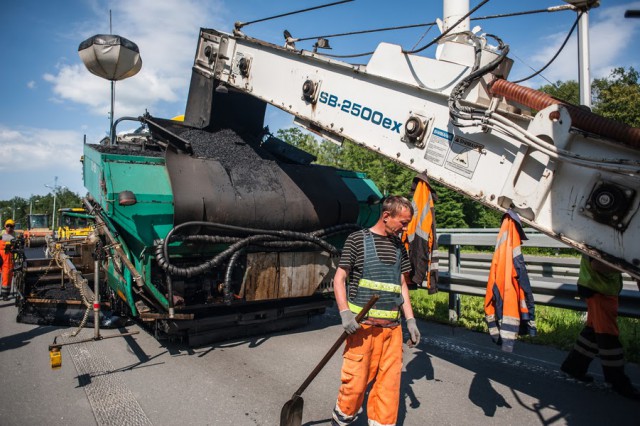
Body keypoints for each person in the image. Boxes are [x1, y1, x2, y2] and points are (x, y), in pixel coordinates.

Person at [331, 195, 420, 426]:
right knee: (355, 384)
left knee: (388, 389)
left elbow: (400, 284)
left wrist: (410, 320)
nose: (405, 228)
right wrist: (344, 313)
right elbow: (339, 279)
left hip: (392, 332)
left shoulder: (399, 246)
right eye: (403, 222)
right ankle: (342, 419)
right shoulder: (357, 240)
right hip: (363, 329)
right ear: (386, 216)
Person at [561, 255, 640, 400]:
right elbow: (598, 265)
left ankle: (573, 367)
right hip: (600, 289)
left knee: (592, 330)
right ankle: (617, 381)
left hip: (594, 286)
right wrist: (629, 267)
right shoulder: (603, 238)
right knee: (607, 335)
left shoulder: (597, 236)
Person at [1, 218, 16, 300]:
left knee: (7, 275)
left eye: (11, 226)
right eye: (8, 226)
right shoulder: (1, 234)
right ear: (5, 226)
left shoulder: (15, 235)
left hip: (9, 258)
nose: (9, 228)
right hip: (1, 257)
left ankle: (5, 294)